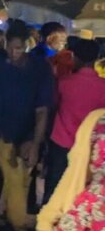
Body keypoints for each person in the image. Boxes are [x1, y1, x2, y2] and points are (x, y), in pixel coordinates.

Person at [0, 21, 55, 231]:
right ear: (6, 44)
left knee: (23, 180)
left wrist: (35, 143)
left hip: (27, 134)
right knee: (15, 180)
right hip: (1, 130)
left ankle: (10, 217)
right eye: (12, 48)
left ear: (27, 45)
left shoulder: (40, 68)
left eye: (19, 48)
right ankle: (19, 230)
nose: (15, 53)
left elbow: (43, 109)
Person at [43, 38, 105, 204]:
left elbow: (53, 106)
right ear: (97, 58)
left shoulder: (64, 83)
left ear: (75, 58)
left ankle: (46, 222)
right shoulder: (102, 86)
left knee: (55, 183)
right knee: (82, 187)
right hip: (89, 145)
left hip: (62, 140)